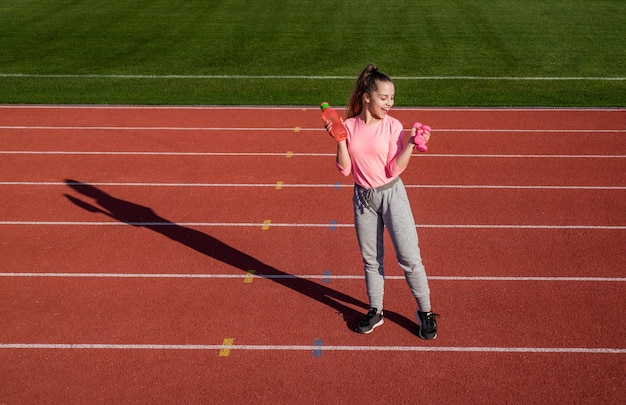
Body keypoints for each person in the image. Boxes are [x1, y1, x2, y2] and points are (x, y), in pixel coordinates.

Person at [324, 64, 439, 339]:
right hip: (363, 198)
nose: (390, 103)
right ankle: (376, 310)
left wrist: (411, 144)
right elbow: (345, 170)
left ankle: (426, 312)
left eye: (392, 98)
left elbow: (393, 169)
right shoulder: (349, 126)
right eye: (384, 98)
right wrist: (339, 139)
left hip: (392, 195)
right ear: (367, 97)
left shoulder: (393, 126)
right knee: (371, 260)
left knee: (409, 257)